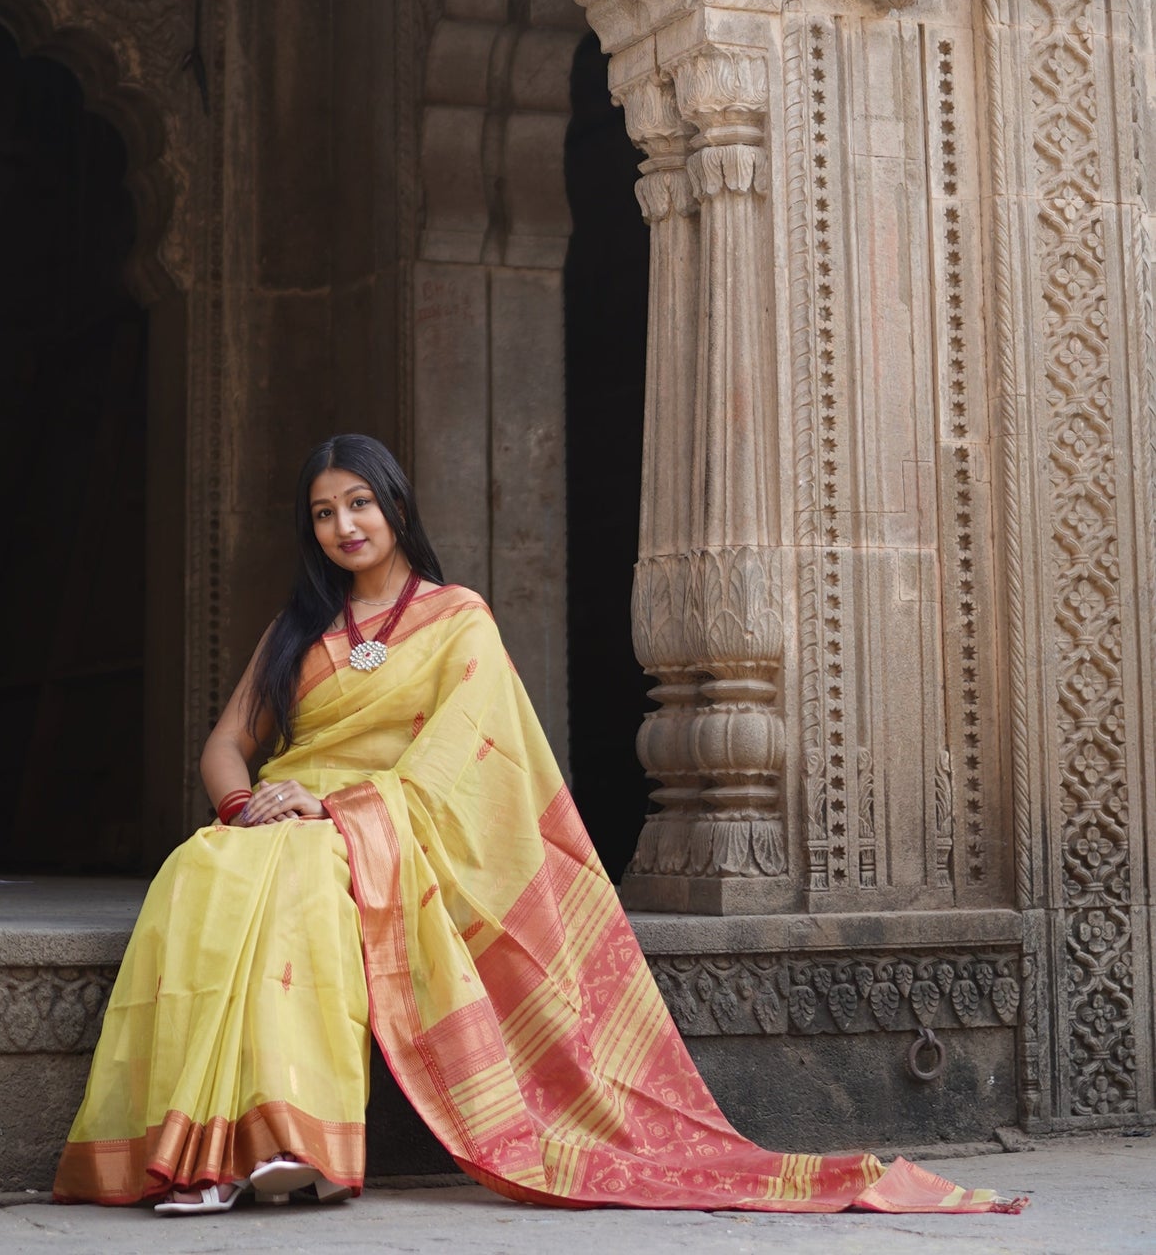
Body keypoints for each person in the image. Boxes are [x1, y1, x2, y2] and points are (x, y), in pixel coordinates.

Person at [54, 434, 1024, 1218]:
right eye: (322, 510)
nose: (343, 523)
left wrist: (341, 810)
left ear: (394, 507)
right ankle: (204, 1143)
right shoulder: (297, 627)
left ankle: (291, 1141)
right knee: (202, 867)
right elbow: (226, 744)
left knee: (307, 873)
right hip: (282, 813)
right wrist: (247, 800)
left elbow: (456, 757)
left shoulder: (456, 616)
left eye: (358, 501)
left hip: (372, 824)